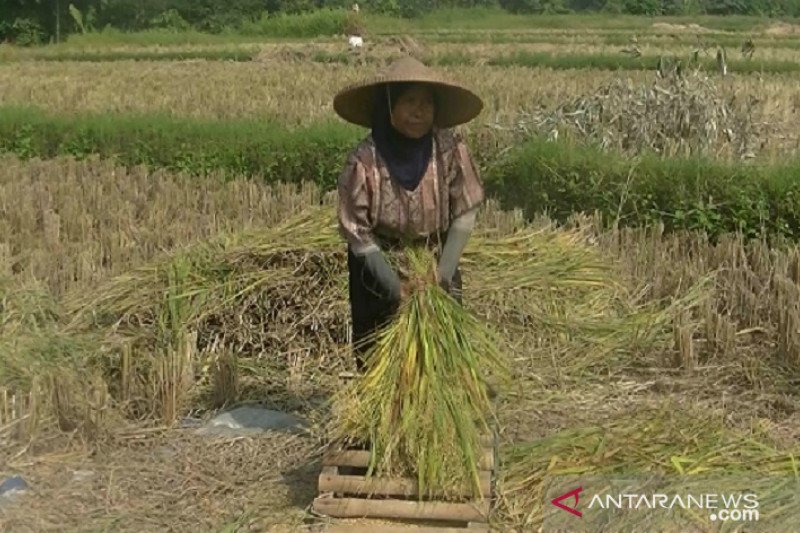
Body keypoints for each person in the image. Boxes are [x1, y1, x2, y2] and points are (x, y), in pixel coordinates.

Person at [333, 57, 485, 371]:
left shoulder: (450, 148)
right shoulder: (364, 161)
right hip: (378, 266)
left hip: (436, 257)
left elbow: (466, 209)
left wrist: (442, 273)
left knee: (444, 354)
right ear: (389, 105)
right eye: (410, 101)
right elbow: (357, 233)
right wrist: (394, 286)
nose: (420, 111)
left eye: (428, 103)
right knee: (380, 358)